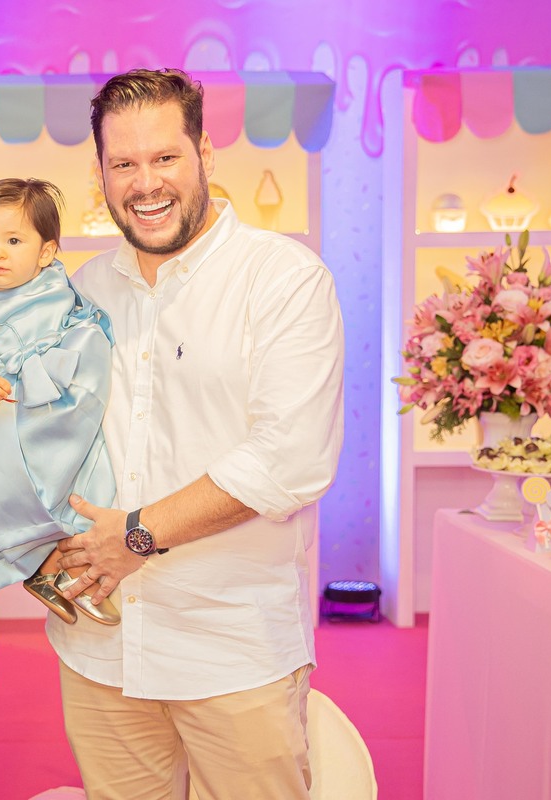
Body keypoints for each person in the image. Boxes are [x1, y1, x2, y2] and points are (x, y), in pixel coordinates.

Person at [51, 68, 346, 800]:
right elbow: (50, 436)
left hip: (232, 651)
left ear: (205, 154)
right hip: (100, 648)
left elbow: (289, 460)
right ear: (99, 173)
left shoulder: (282, 278)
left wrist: (137, 535)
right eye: (124, 163)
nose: (145, 183)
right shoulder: (84, 290)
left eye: (165, 157)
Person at [0, 177, 118, 626]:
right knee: (36, 488)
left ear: (46, 252)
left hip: (62, 400)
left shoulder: (56, 285)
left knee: (91, 479)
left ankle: (66, 569)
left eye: (13, 241)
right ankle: (50, 568)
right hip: (12, 411)